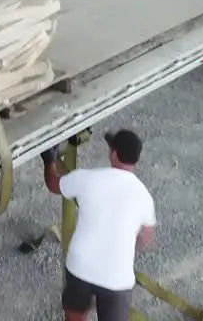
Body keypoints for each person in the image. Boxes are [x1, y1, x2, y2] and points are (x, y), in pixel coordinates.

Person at [42, 129, 156, 321]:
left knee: (75, 317)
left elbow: (54, 184)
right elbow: (145, 239)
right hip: (117, 279)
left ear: (113, 153)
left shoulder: (87, 179)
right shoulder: (144, 197)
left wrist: (49, 159)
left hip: (81, 268)